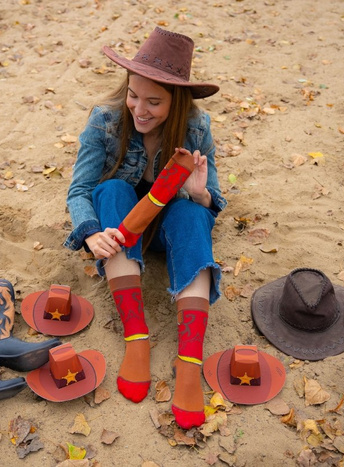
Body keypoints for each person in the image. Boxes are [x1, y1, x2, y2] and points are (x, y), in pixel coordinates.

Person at [64, 27, 226, 429]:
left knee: (192, 213)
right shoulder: (104, 121)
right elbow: (80, 189)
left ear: (177, 101)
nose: (139, 108)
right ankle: (136, 338)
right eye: (134, 95)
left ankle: (189, 362)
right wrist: (89, 233)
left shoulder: (196, 127)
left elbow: (215, 199)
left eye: (154, 101)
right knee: (114, 188)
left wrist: (199, 194)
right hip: (120, 234)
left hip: (171, 230)